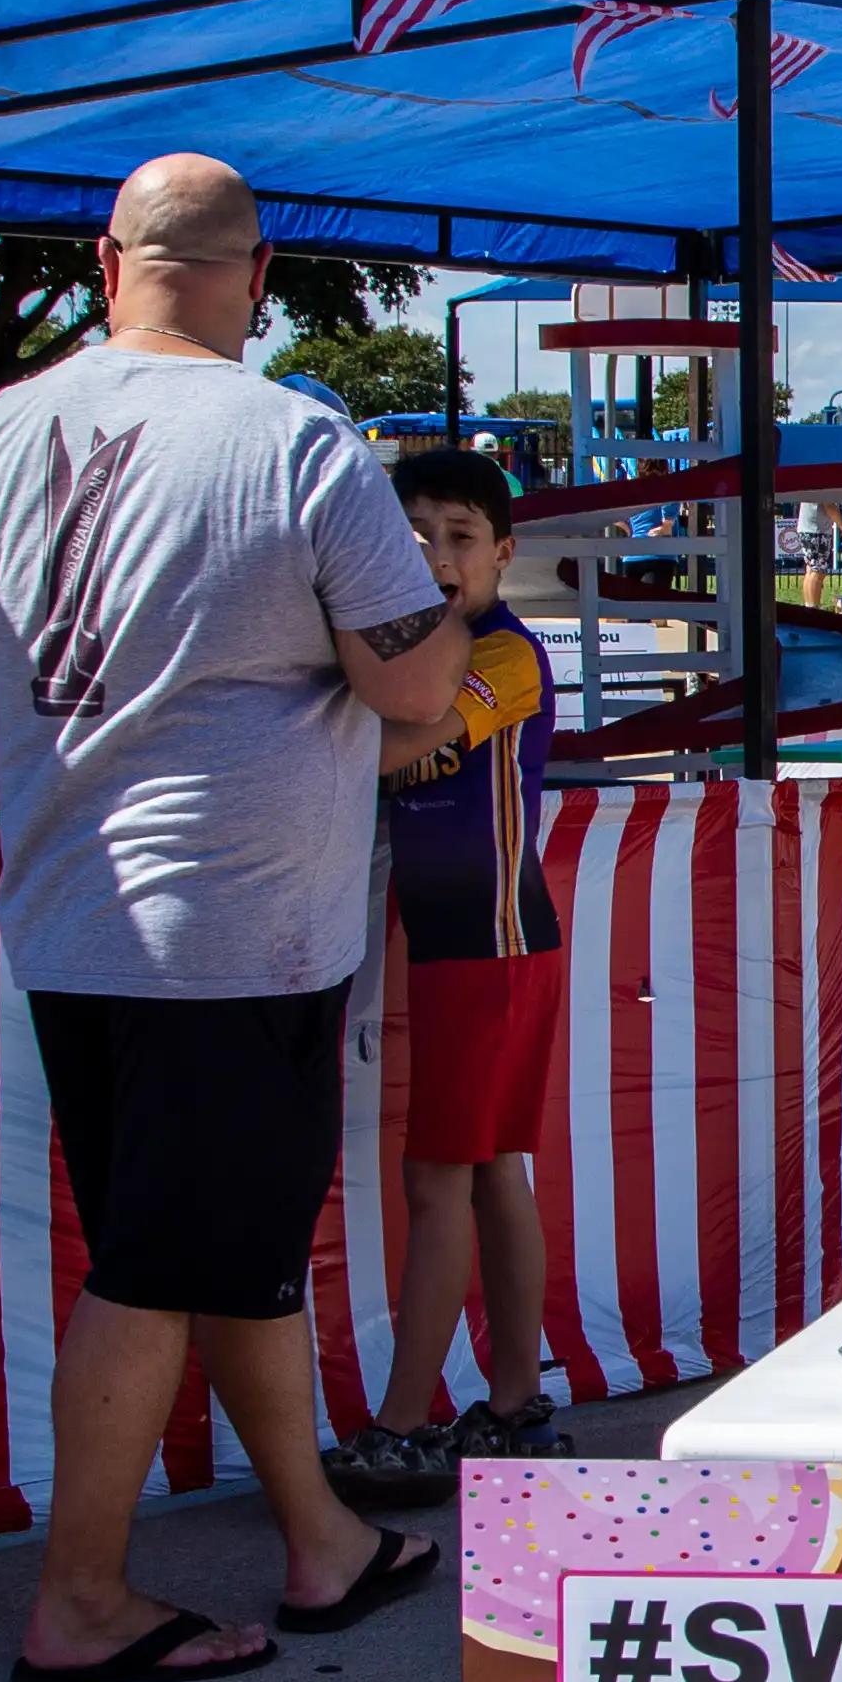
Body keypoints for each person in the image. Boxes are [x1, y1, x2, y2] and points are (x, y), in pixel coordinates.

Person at [0, 154, 469, 1682]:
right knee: (160, 1258)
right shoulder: (294, 439)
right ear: (259, 278)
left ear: (108, 259)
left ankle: (320, 1540)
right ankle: (80, 1598)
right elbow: (413, 686)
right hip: (235, 931)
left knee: (233, 1245)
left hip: (81, 914)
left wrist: (43, 787)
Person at [320, 448, 566, 1511]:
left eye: (459, 537)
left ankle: (403, 1425)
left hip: (491, 940)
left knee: (443, 1181)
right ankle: (512, 1405)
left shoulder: (504, 656)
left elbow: (397, 744)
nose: (434, 557)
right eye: (413, 536)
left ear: (503, 553)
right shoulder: (428, 653)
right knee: (488, 1175)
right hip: (479, 943)